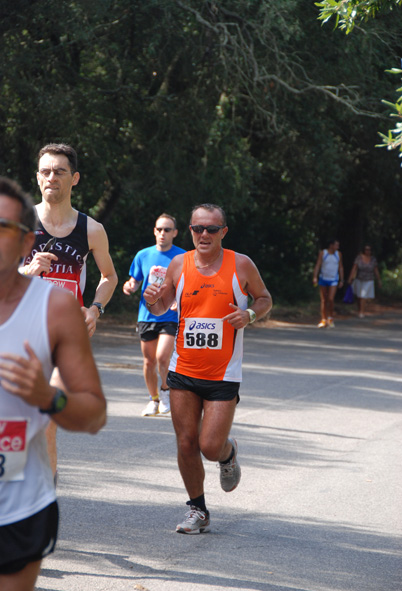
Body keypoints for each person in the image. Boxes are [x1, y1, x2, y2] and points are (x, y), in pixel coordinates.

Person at [0, 177, 106, 591]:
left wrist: (49, 398)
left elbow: (93, 413)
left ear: (26, 240)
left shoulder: (54, 308)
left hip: (19, 505)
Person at [143, 203, 272, 534]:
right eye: (197, 228)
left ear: (222, 232)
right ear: (189, 231)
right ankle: (197, 509)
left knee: (209, 446)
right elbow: (160, 307)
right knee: (186, 442)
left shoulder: (240, 264)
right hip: (183, 369)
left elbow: (264, 299)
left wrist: (251, 315)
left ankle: (228, 455)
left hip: (223, 374)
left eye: (211, 229)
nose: (203, 234)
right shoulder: (178, 264)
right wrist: (150, 298)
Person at [23, 143, 117, 476]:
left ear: (74, 178)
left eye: (60, 172)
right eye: (46, 172)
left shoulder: (91, 230)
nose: (52, 178)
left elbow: (109, 276)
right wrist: (26, 272)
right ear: (37, 178)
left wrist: (94, 309)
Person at [123, 214, 186, 416]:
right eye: (159, 229)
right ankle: (153, 399)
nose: (162, 233)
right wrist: (130, 286)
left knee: (162, 357)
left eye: (167, 230)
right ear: (154, 231)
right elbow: (135, 280)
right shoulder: (143, 255)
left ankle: (166, 391)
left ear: (175, 233)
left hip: (170, 315)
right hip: (147, 315)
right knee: (149, 361)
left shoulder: (182, 257)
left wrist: (179, 299)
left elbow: (188, 285)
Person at [312, 239, 344, 328]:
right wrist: (315, 277)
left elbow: (340, 267)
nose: (337, 247)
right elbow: (318, 265)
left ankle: (330, 317)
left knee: (330, 299)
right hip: (323, 278)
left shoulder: (338, 254)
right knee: (323, 299)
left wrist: (342, 279)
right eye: (336, 245)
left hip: (333, 279)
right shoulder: (323, 253)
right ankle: (323, 319)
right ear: (331, 245)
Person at [347, 244, 382, 318]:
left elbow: (376, 270)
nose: (367, 251)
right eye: (366, 249)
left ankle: (361, 312)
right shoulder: (359, 258)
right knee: (359, 296)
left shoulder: (373, 259)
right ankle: (360, 308)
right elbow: (354, 268)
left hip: (369, 279)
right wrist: (350, 278)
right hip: (359, 279)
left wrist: (379, 280)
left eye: (369, 250)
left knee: (363, 295)